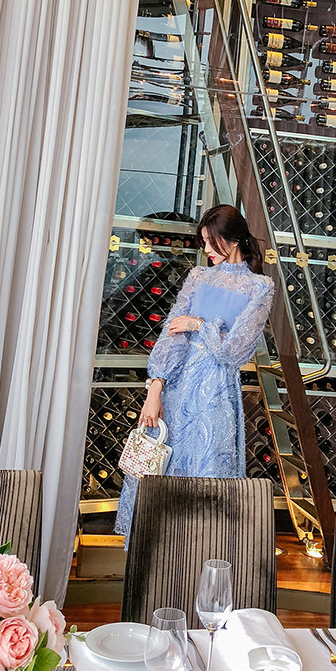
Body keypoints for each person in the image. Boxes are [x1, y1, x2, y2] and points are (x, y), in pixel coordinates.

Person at [114, 204, 275, 548]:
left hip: (215, 396)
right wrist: (154, 389)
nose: (206, 249)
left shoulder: (260, 287)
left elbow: (232, 352)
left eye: (211, 241)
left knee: (206, 474)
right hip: (175, 390)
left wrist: (198, 325)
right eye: (203, 241)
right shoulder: (198, 277)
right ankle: (154, 558)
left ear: (233, 241)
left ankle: (199, 558)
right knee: (157, 469)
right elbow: (171, 335)